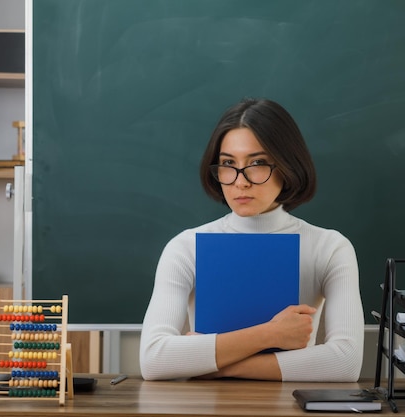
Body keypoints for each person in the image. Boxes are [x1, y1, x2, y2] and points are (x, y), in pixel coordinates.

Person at [139, 98, 364, 381]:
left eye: (257, 163)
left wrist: (208, 363)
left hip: (289, 408)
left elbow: (345, 362)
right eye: (228, 164)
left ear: (287, 166)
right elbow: (154, 359)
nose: (240, 181)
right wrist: (271, 334)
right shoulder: (185, 247)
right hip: (203, 409)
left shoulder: (330, 248)